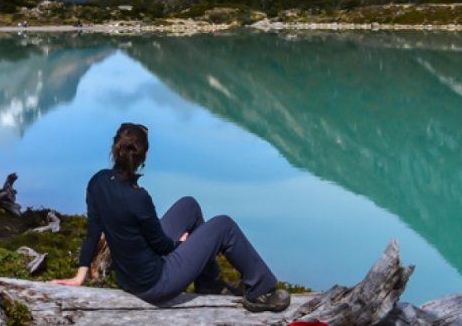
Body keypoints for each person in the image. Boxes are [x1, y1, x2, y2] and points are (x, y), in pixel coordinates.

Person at [52, 122, 290, 313]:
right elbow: (162, 246)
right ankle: (261, 290)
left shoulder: (98, 181)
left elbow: (93, 231)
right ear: (144, 155)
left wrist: (80, 275)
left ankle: (209, 283)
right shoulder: (138, 197)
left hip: (130, 276)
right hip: (156, 283)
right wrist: (181, 244)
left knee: (189, 205)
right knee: (224, 226)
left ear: (115, 149)